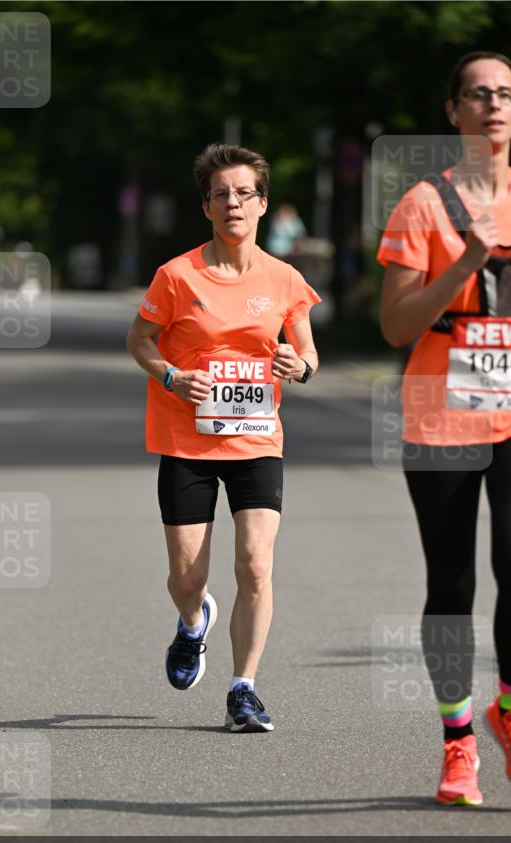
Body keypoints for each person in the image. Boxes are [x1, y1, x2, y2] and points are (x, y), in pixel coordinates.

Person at [377, 51, 511, 804]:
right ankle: (457, 743)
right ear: (452, 111)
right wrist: (459, 270)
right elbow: (393, 325)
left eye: (506, 94)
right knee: (450, 582)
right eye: (477, 95)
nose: (493, 105)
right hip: (439, 408)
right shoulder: (422, 206)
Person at [127, 144, 320, 732]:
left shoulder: (285, 279)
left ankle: (244, 689)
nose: (232, 203)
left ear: (262, 204)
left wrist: (301, 366)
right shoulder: (177, 275)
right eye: (220, 194)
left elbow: (309, 352)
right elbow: (140, 340)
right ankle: (193, 622)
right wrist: (169, 374)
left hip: (257, 440)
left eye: (243, 193)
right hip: (186, 440)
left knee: (256, 565)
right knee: (187, 578)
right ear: (206, 206)